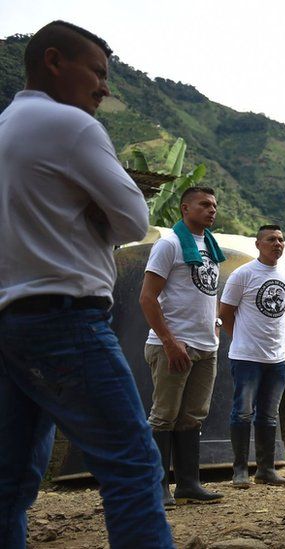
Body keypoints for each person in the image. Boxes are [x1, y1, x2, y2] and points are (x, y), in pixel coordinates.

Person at [0, 20, 172, 548]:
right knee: (133, 465)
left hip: (12, 324)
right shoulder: (70, 126)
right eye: (96, 73)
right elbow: (132, 218)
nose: (104, 87)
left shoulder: (8, 125)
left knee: (11, 482)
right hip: (66, 321)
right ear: (54, 61)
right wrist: (100, 206)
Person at [140, 186, 225, 507]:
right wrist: (169, 341)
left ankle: (188, 483)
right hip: (171, 346)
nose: (212, 210)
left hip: (206, 348)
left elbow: (208, 292)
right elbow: (147, 298)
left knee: (192, 417)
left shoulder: (212, 248)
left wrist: (215, 326)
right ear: (185, 208)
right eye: (204, 205)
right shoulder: (169, 245)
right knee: (164, 416)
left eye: (214, 205)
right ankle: (157, 487)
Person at [218, 225, 285, 489]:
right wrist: (239, 338)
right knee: (242, 412)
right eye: (271, 239)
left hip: (276, 358)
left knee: (269, 414)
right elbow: (225, 311)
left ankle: (266, 469)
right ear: (258, 244)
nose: (278, 244)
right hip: (246, 357)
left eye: (281, 239)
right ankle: (240, 470)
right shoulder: (242, 274)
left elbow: (284, 311)